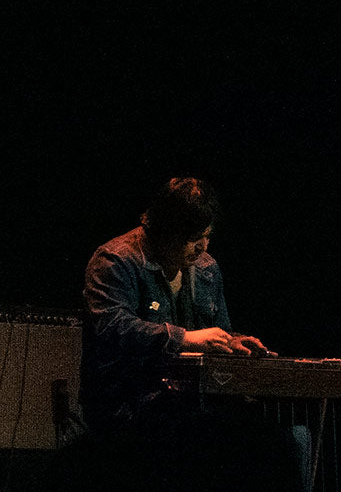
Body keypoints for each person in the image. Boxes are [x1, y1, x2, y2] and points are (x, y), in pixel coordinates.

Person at [81, 177, 270, 428]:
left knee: (276, 435)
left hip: (187, 404)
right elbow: (113, 327)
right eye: (193, 238)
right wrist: (186, 338)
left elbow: (216, 328)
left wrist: (230, 342)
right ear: (166, 230)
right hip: (127, 407)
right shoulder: (116, 261)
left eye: (207, 236)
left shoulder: (206, 268)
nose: (202, 247)